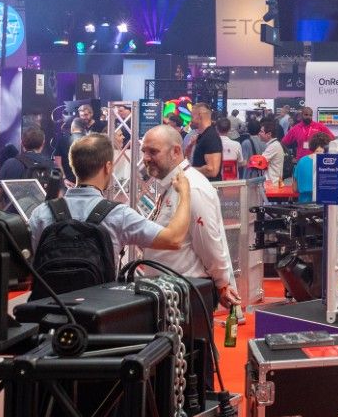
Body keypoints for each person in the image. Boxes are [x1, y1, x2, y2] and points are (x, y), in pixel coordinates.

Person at [28, 133, 194, 263]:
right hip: (99, 303)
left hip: (49, 303)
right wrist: (185, 194)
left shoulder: (41, 213)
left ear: (73, 165)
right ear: (108, 167)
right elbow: (173, 239)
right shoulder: (118, 215)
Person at [133, 125, 239, 308]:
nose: (146, 158)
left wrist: (222, 283)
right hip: (168, 292)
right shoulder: (173, 184)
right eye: (144, 151)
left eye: (153, 152)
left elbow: (209, 243)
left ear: (175, 151)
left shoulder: (193, 187)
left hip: (186, 295)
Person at [0, 125, 57, 203]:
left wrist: (2, 209)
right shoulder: (52, 165)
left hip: (14, 213)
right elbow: (58, 195)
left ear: (22, 143)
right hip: (42, 212)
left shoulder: (10, 163)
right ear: (43, 144)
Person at [187, 103, 224, 182]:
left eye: (192, 117)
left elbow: (212, 170)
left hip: (209, 189)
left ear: (199, 116)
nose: (190, 120)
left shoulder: (211, 137)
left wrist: (190, 170)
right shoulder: (202, 136)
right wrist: (189, 147)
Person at [293, 131, 332, 202]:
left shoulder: (302, 161)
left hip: (303, 204)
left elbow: (295, 189)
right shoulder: (330, 162)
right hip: (324, 204)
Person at [253, 119, 286, 184]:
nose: (259, 133)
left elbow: (259, 162)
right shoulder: (274, 144)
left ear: (269, 134)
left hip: (273, 184)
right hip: (275, 182)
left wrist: (251, 161)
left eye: (261, 131)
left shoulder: (273, 146)